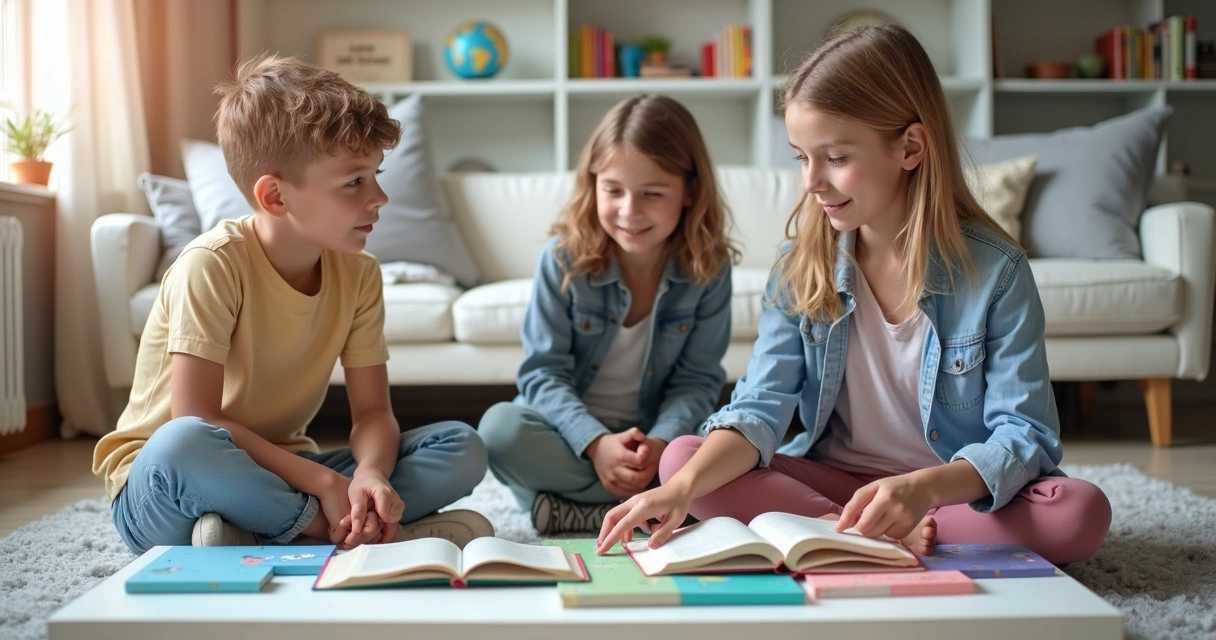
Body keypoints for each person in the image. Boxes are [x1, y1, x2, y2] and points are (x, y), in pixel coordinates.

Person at [596, 25, 1111, 566]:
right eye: (801, 157)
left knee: (1077, 511)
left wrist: (922, 492)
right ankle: (857, 530)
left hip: (944, 493)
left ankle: (834, 532)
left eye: (835, 157)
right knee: (683, 460)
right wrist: (679, 491)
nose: (812, 182)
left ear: (909, 147)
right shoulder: (801, 267)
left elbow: (1025, 433)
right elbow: (760, 408)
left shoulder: (997, 273)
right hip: (834, 483)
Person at [93, 55, 493, 555]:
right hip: (164, 488)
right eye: (354, 181)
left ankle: (265, 530)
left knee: (462, 445)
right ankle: (356, 532)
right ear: (276, 197)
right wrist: (325, 485)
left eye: (375, 175)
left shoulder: (361, 274)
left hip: (282, 473)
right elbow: (195, 419)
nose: (380, 197)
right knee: (184, 442)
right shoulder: (212, 265)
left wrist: (368, 475)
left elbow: (372, 412)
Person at [479, 94, 738, 535]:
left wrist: (659, 442)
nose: (629, 211)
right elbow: (542, 374)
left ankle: (577, 508)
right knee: (499, 431)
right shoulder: (562, 259)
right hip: (571, 435)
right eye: (613, 191)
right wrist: (595, 444)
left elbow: (697, 381)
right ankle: (646, 507)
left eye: (652, 194)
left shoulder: (708, 269)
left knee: (706, 454)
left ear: (690, 191)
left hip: (657, 436)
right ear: (593, 183)